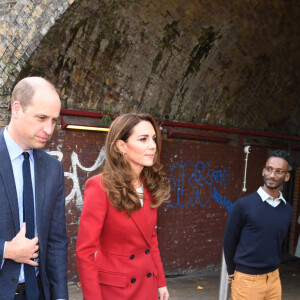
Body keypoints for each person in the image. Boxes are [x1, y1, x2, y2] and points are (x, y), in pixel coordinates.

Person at [76, 113, 170, 300]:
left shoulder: (151, 186)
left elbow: (151, 239)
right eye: (143, 139)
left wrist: (160, 282)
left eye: (153, 139)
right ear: (121, 146)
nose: (152, 145)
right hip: (116, 291)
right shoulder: (100, 186)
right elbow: (85, 252)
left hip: (147, 285)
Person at [0, 77, 68, 300]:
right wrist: (6, 250)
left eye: (54, 121)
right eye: (41, 118)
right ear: (17, 109)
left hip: (38, 293)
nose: (48, 129)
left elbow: (56, 242)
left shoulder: (52, 169)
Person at [223, 149, 294, 300]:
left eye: (278, 171)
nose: (272, 175)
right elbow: (229, 240)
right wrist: (232, 271)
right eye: (269, 169)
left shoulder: (287, 210)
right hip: (247, 280)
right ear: (263, 171)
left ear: (286, 176)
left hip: (274, 278)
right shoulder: (243, 205)